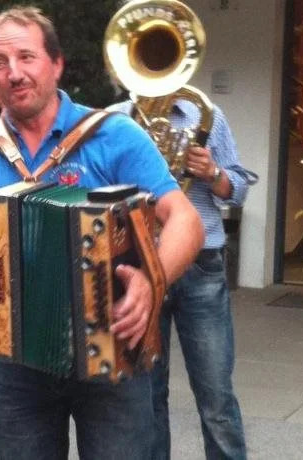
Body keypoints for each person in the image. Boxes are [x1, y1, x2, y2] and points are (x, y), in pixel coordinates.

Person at [0, 7, 204, 459]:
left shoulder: (115, 135)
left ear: (56, 64)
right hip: (16, 361)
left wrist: (153, 280)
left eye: (26, 57)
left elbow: (185, 220)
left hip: (112, 346)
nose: (14, 73)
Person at [109, 94, 254, 459]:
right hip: (138, 266)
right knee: (148, 395)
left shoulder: (206, 115)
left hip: (200, 265)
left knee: (216, 394)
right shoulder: (114, 119)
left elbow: (237, 191)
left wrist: (212, 173)